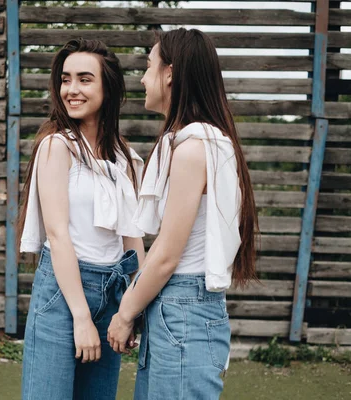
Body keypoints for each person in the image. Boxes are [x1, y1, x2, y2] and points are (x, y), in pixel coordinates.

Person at [107, 28, 260, 399]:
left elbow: (167, 253)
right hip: (177, 306)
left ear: (170, 73)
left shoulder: (193, 149)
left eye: (148, 66)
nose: (143, 78)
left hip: (184, 309)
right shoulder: (204, 141)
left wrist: (125, 313)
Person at [19, 38, 145, 400]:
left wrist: (133, 306)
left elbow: (132, 239)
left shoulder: (126, 158)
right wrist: (80, 318)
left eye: (84, 79)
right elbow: (57, 235)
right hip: (63, 294)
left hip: (113, 292)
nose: (71, 90)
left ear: (109, 86)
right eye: (65, 79)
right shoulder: (57, 146)